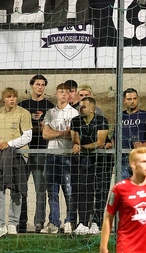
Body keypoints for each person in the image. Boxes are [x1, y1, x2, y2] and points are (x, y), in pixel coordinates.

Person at [0, 87, 32, 241]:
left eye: (14, 96)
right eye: (9, 97)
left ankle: (13, 223)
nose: (12, 99)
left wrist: (9, 144)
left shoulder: (23, 113)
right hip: (1, 156)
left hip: (18, 155)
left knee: (17, 189)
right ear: (4, 99)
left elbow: (28, 136)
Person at [18, 74, 54, 233]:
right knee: (21, 188)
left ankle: (39, 221)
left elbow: (50, 128)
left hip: (41, 150)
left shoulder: (50, 106)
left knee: (40, 189)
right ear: (31, 86)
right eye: (37, 84)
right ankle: (21, 221)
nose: (40, 87)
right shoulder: (23, 105)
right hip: (24, 151)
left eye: (42, 85)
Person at [42, 82, 79, 234]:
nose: (63, 94)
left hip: (66, 156)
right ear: (56, 94)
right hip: (51, 155)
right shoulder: (50, 112)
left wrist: (54, 132)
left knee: (69, 190)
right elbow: (45, 134)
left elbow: (73, 136)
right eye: (61, 92)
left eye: (66, 92)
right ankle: (54, 222)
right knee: (52, 191)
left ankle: (70, 221)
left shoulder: (73, 113)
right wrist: (62, 133)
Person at [70, 96, 109, 234]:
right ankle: (83, 222)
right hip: (83, 161)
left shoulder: (101, 120)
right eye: (80, 106)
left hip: (101, 160)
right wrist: (75, 144)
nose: (81, 108)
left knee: (100, 190)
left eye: (84, 106)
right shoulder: (75, 121)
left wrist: (82, 147)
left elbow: (100, 143)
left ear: (92, 109)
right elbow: (75, 137)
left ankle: (97, 223)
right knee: (83, 190)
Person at [120, 89, 146, 179]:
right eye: (129, 99)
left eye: (134, 98)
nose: (132, 101)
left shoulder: (145, 115)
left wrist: (143, 145)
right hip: (123, 157)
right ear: (124, 101)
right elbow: (115, 136)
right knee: (124, 188)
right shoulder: (120, 116)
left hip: (139, 157)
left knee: (139, 188)